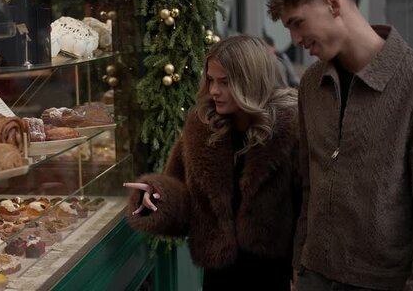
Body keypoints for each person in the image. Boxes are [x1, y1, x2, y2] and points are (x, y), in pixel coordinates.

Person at [267, 0, 413, 290]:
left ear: (333, 4)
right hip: (313, 274)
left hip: (383, 282)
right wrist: (299, 266)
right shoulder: (311, 83)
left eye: (298, 23)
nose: (296, 38)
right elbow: (310, 184)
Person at [123, 35, 299, 290]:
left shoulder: (290, 130)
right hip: (220, 275)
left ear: (250, 81)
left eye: (225, 82)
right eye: (211, 80)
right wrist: (157, 195)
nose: (214, 90)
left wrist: (303, 270)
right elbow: (184, 201)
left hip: (275, 274)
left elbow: (310, 207)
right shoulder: (201, 130)